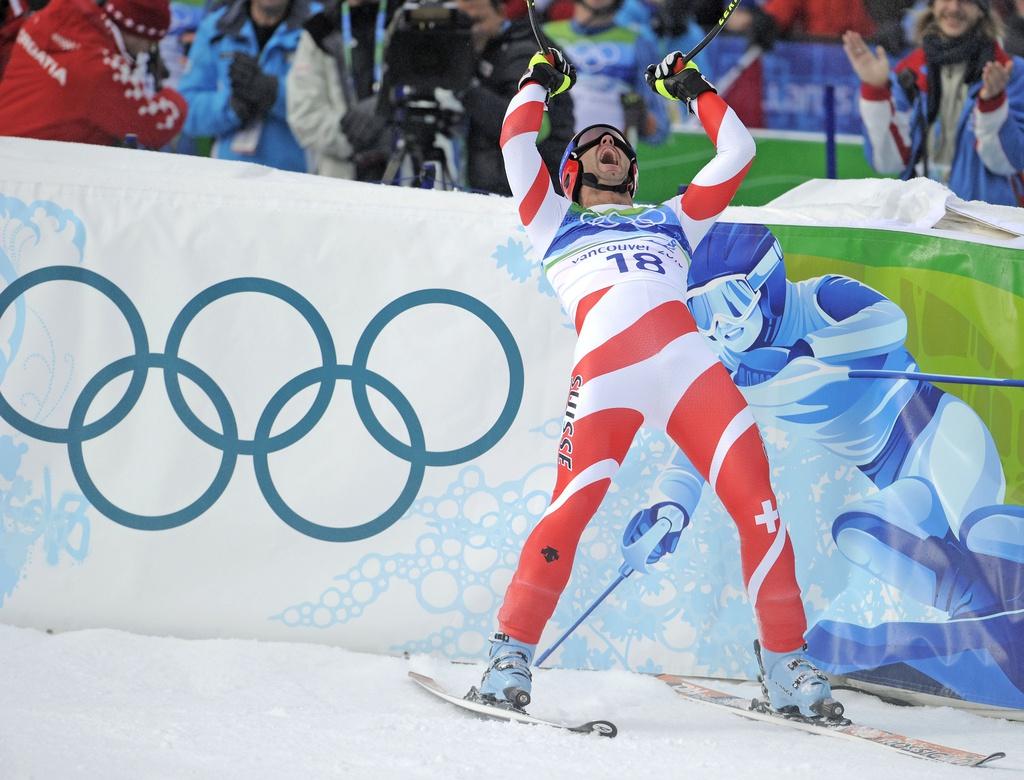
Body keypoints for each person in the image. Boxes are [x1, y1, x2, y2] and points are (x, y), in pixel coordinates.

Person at [479, 47, 839, 720]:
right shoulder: (552, 219)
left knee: (758, 504)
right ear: (573, 170)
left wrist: (692, 88)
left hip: (687, 369)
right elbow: (515, 138)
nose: (609, 146)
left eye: (618, 143)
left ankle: (787, 667)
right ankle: (509, 656)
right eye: (594, 143)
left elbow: (736, 152)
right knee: (570, 511)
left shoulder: (670, 218)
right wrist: (539, 80)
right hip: (607, 373)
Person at [843, 0, 1024, 206]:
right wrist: (875, 91)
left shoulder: (1011, 72)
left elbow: (1009, 162)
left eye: (966, 1)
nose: (954, 8)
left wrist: (993, 105)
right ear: (932, 5)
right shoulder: (909, 71)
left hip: (986, 224)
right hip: (921, 218)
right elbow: (887, 162)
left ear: (982, 10)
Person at [0, 0, 186, 148]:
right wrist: (176, 97)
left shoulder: (53, 15)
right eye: (150, 45)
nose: (146, 51)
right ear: (142, 35)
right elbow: (155, 127)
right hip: (28, 174)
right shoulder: (101, 71)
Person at [178, 0, 313, 172]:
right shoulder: (217, 26)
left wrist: (274, 93)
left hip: (298, 181)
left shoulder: (318, 26)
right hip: (228, 180)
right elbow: (185, 110)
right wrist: (232, 106)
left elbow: (334, 108)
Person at [459, 0, 575, 194]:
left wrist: (466, 92)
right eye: (463, 21)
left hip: (529, 190)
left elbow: (536, 127)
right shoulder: (479, 49)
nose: (472, 29)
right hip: (502, 181)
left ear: (502, 13)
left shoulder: (523, 52)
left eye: (478, 20)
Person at [544, 0, 670, 144]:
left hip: (607, 154)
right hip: (553, 153)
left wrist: (641, 117)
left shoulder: (639, 42)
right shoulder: (545, 35)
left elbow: (661, 129)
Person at [285, 0, 386, 179]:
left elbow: (444, 93)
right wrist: (351, 133)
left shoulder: (410, 18)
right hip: (340, 177)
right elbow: (304, 115)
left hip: (408, 174)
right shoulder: (321, 29)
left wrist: (391, 120)